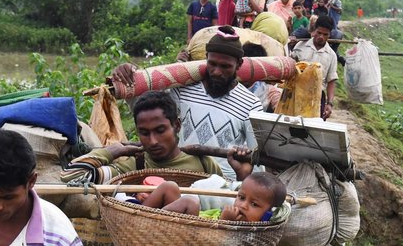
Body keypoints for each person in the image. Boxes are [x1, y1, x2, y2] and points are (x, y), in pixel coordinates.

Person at [113, 26, 264, 180]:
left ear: (239, 65)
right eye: (212, 64)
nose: (217, 72)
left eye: (225, 66)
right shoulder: (183, 89)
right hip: (181, 176)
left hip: (223, 185)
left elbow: (258, 161)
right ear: (206, 58)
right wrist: (131, 79)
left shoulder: (251, 104)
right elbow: (148, 110)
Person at [62, 91, 225, 184]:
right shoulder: (133, 167)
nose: (153, 141)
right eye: (144, 133)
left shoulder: (204, 164)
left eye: (160, 130)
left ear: (176, 125)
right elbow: (71, 176)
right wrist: (111, 151)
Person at [139, 170, 287, 222]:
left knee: (190, 202)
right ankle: (137, 216)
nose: (243, 205)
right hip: (195, 219)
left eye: (254, 204)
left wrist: (225, 222)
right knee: (169, 186)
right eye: (241, 197)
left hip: (195, 233)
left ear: (268, 213)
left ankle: (145, 222)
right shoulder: (236, 215)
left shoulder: (255, 231)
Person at [291, 16, 338, 120]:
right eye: (319, 32)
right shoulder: (300, 46)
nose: (321, 36)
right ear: (314, 31)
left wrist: (329, 104)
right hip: (296, 94)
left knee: (312, 130)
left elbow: (331, 81)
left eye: (325, 34)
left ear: (329, 35)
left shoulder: (331, 55)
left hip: (317, 98)